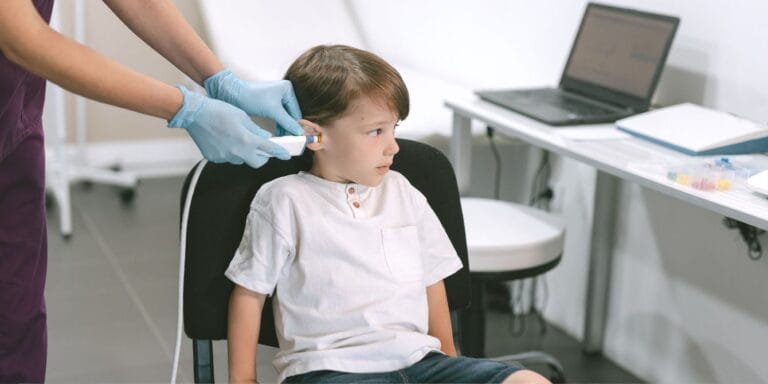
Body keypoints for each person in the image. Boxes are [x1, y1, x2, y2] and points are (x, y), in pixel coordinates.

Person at [0, 1, 303, 381]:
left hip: (11, 123)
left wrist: (220, 79)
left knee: (14, 317)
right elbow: (24, 39)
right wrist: (185, 108)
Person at [225, 44, 551, 384]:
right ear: (313, 135)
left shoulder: (403, 192)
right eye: (375, 131)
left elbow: (432, 280)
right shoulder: (283, 200)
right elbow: (249, 293)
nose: (393, 146)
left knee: (530, 382)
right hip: (332, 369)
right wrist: (243, 380)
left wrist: (449, 361)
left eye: (394, 128)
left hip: (419, 361)